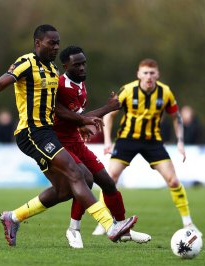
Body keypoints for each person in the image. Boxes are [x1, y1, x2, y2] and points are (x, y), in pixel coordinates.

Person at [0, 25, 137, 247]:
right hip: (31, 132)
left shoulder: (53, 71)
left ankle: (13, 217)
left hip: (47, 133)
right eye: (51, 43)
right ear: (38, 43)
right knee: (76, 172)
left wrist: (81, 121)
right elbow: (6, 78)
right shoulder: (26, 62)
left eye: (58, 43)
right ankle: (109, 225)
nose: (56, 47)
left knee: (70, 187)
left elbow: (57, 109)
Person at [53, 46, 151, 248]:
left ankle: (125, 229)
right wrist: (108, 108)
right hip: (61, 144)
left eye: (83, 63)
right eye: (76, 64)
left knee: (107, 182)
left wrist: (82, 126)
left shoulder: (80, 84)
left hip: (76, 142)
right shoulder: (60, 85)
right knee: (85, 180)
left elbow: (76, 116)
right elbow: (61, 114)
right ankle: (73, 229)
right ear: (65, 66)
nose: (82, 67)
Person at [92, 58, 202, 236]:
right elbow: (109, 115)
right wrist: (107, 141)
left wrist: (180, 141)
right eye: (145, 73)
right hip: (127, 139)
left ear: (157, 74)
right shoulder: (128, 90)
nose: (149, 76)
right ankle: (103, 222)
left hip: (153, 142)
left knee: (173, 180)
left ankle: (188, 223)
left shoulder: (165, 92)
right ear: (138, 74)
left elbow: (177, 117)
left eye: (152, 73)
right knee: (109, 179)